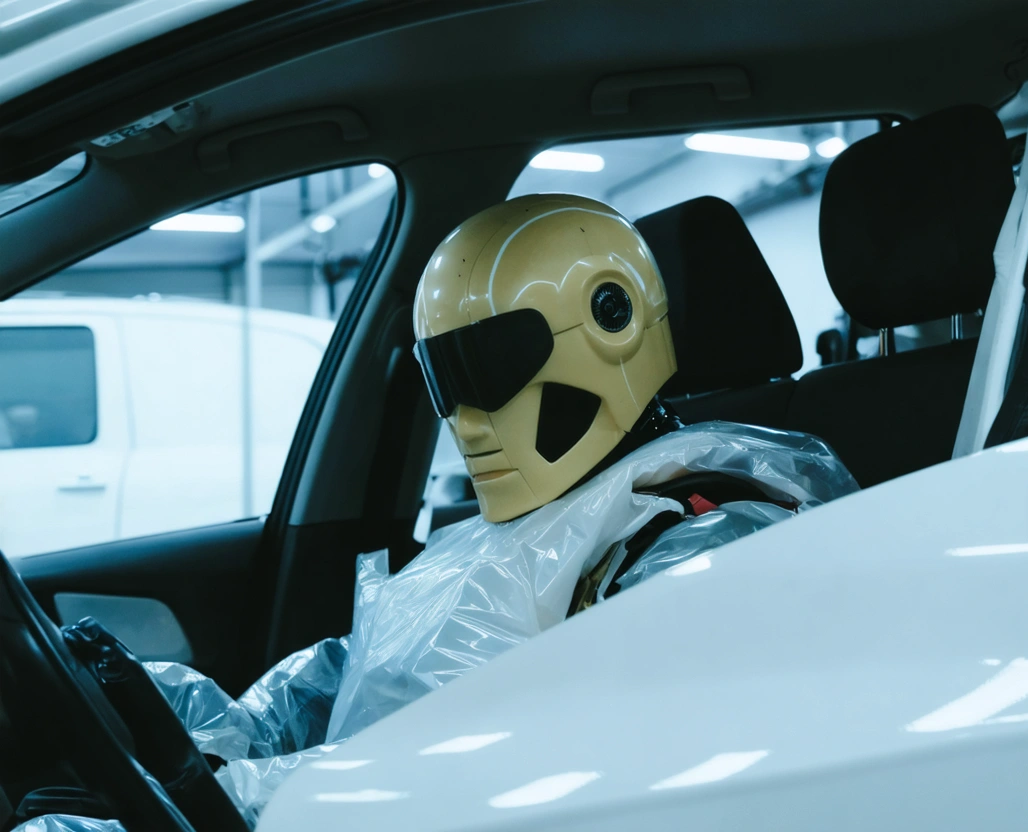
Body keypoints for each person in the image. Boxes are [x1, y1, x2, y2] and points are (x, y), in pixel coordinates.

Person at [18, 194, 857, 830]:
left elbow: (566, 769)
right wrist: (171, 721)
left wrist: (229, 796)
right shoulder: (509, 536)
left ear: (612, 322)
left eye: (488, 366)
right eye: (441, 379)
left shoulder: (711, 532)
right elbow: (342, 687)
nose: (467, 419)